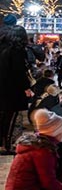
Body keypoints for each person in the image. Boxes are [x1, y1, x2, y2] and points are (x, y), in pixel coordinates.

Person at [0, 14, 34, 155]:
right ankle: (5, 145)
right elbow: (18, 71)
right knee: (9, 117)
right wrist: (26, 87)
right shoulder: (16, 50)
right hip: (11, 90)